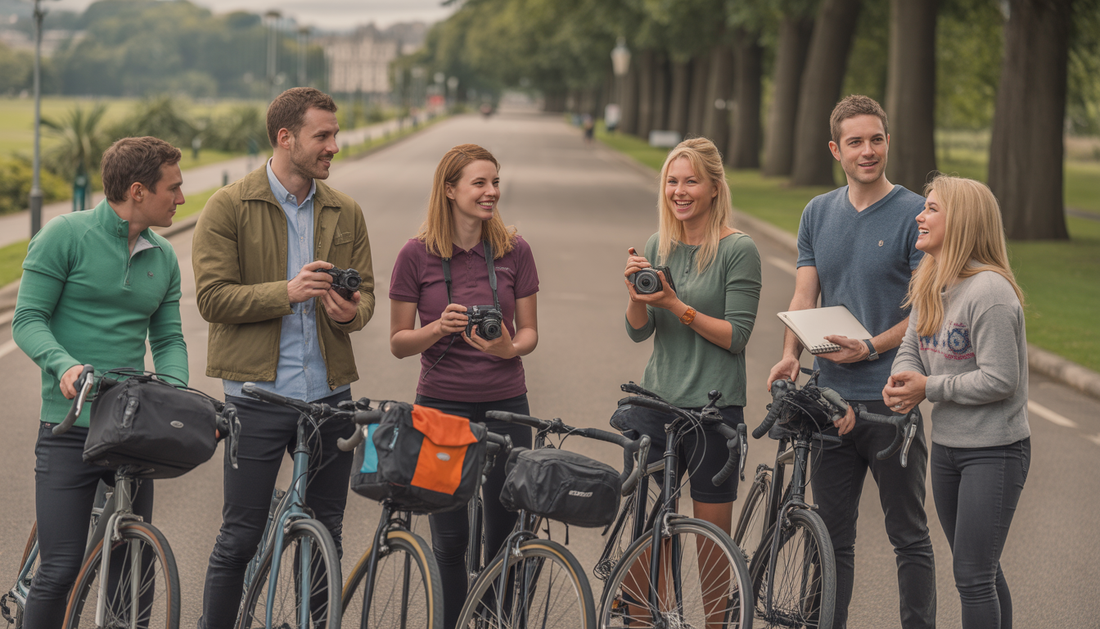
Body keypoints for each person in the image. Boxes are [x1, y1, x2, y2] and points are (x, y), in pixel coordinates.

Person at [192, 87, 375, 628]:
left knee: (326, 534)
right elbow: (211, 299)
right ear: (285, 137)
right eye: (323, 135)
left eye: (335, 134)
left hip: (330, 396)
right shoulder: (228, 205)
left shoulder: (346, 210)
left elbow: (365, 297)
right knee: (240, 537)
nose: (334, 146)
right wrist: (287, 293)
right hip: (256, 397)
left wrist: (350, 312)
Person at [766, 94, 937, 629]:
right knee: (830, 538)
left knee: (908, 536)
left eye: (876, 140)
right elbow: (804, 295)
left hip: (892, 402)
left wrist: (871, 347)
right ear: (835, 149)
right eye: (856, 142)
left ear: (888, 142)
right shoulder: (817, 212)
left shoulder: (916, 214)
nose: (868, 151)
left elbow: (926, 311)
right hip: (830, 403)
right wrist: (790, 353)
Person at [13, 136, 189, 629]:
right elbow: (27, 319)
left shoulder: (163, 256)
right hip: (69, 425)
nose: (181, 198)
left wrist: (173, 393)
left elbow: (169, 339)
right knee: (61, 568)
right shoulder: (64, 235)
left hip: (130, 429)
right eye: (172, 188)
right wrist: (64, 365)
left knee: (133, 569)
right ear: (138, 191)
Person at [389, 143, 539, 629]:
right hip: (440, 408)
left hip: (507, 406)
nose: (491, 191)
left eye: (495, 182)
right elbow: (398, 342)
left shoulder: (515, 250)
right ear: (450, 190)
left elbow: (530, 333)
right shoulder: (415, 254)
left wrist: (509, 348)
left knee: (505, 537)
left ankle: (495, 621)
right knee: (450, 540)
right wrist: (438, 328)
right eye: (480, 183)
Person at [884, 175, 1029, 629]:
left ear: (962, 221)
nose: (919, 216)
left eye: (932, 209)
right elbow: (912, 344)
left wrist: (927, 388)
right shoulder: (931, 279)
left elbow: (1001, 380)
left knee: (972, 575)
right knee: (980, 570)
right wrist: (902, 379)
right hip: (948, 449)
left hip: (995, 451)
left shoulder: (990, 293)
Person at [622, 136, 761, 534]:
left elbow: (736, 336)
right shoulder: (658, 244)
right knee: (649, 540)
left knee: (712, 544)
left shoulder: (738, 249)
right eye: (672, 181)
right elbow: (639, 332)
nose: (679, 192)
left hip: (713, 411)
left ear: (715, 187)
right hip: (656, 404)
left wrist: (675, 305)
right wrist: (635, 296)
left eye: (691, 181)